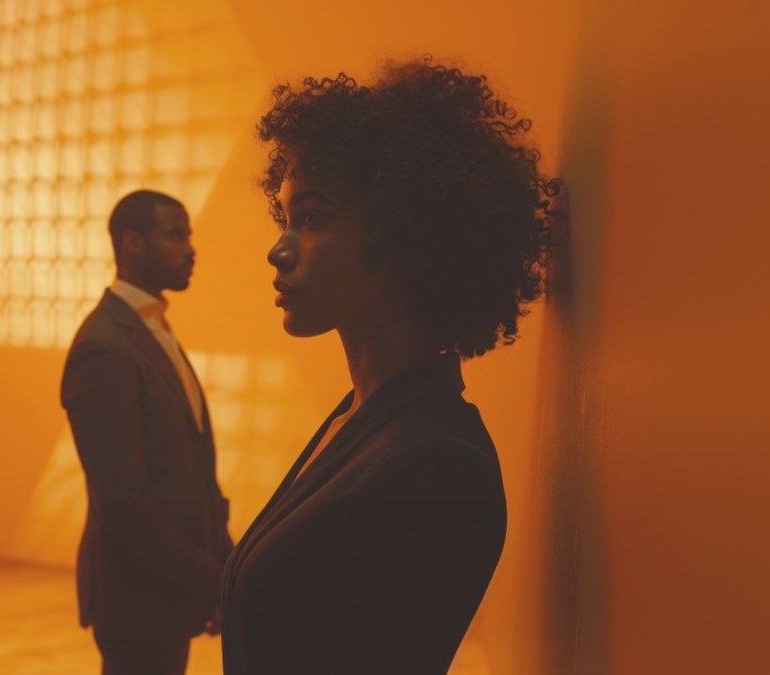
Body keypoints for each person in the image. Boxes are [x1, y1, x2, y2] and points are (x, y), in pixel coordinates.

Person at [221, 58, 562, 673]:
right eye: (286, 218)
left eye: (313, 218)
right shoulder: (363, 418)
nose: (278, 249)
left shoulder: (434, 463)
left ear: (403, 234)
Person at [61, 189, 233, 675]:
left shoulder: (146, 329)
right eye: (176, 235)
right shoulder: (105, 348)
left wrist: (224, 554)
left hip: (165, 588)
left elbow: (188, 468)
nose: (190, 249)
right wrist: (213, 579)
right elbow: (124, 504)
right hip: (136, 597)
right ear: (132, 243)